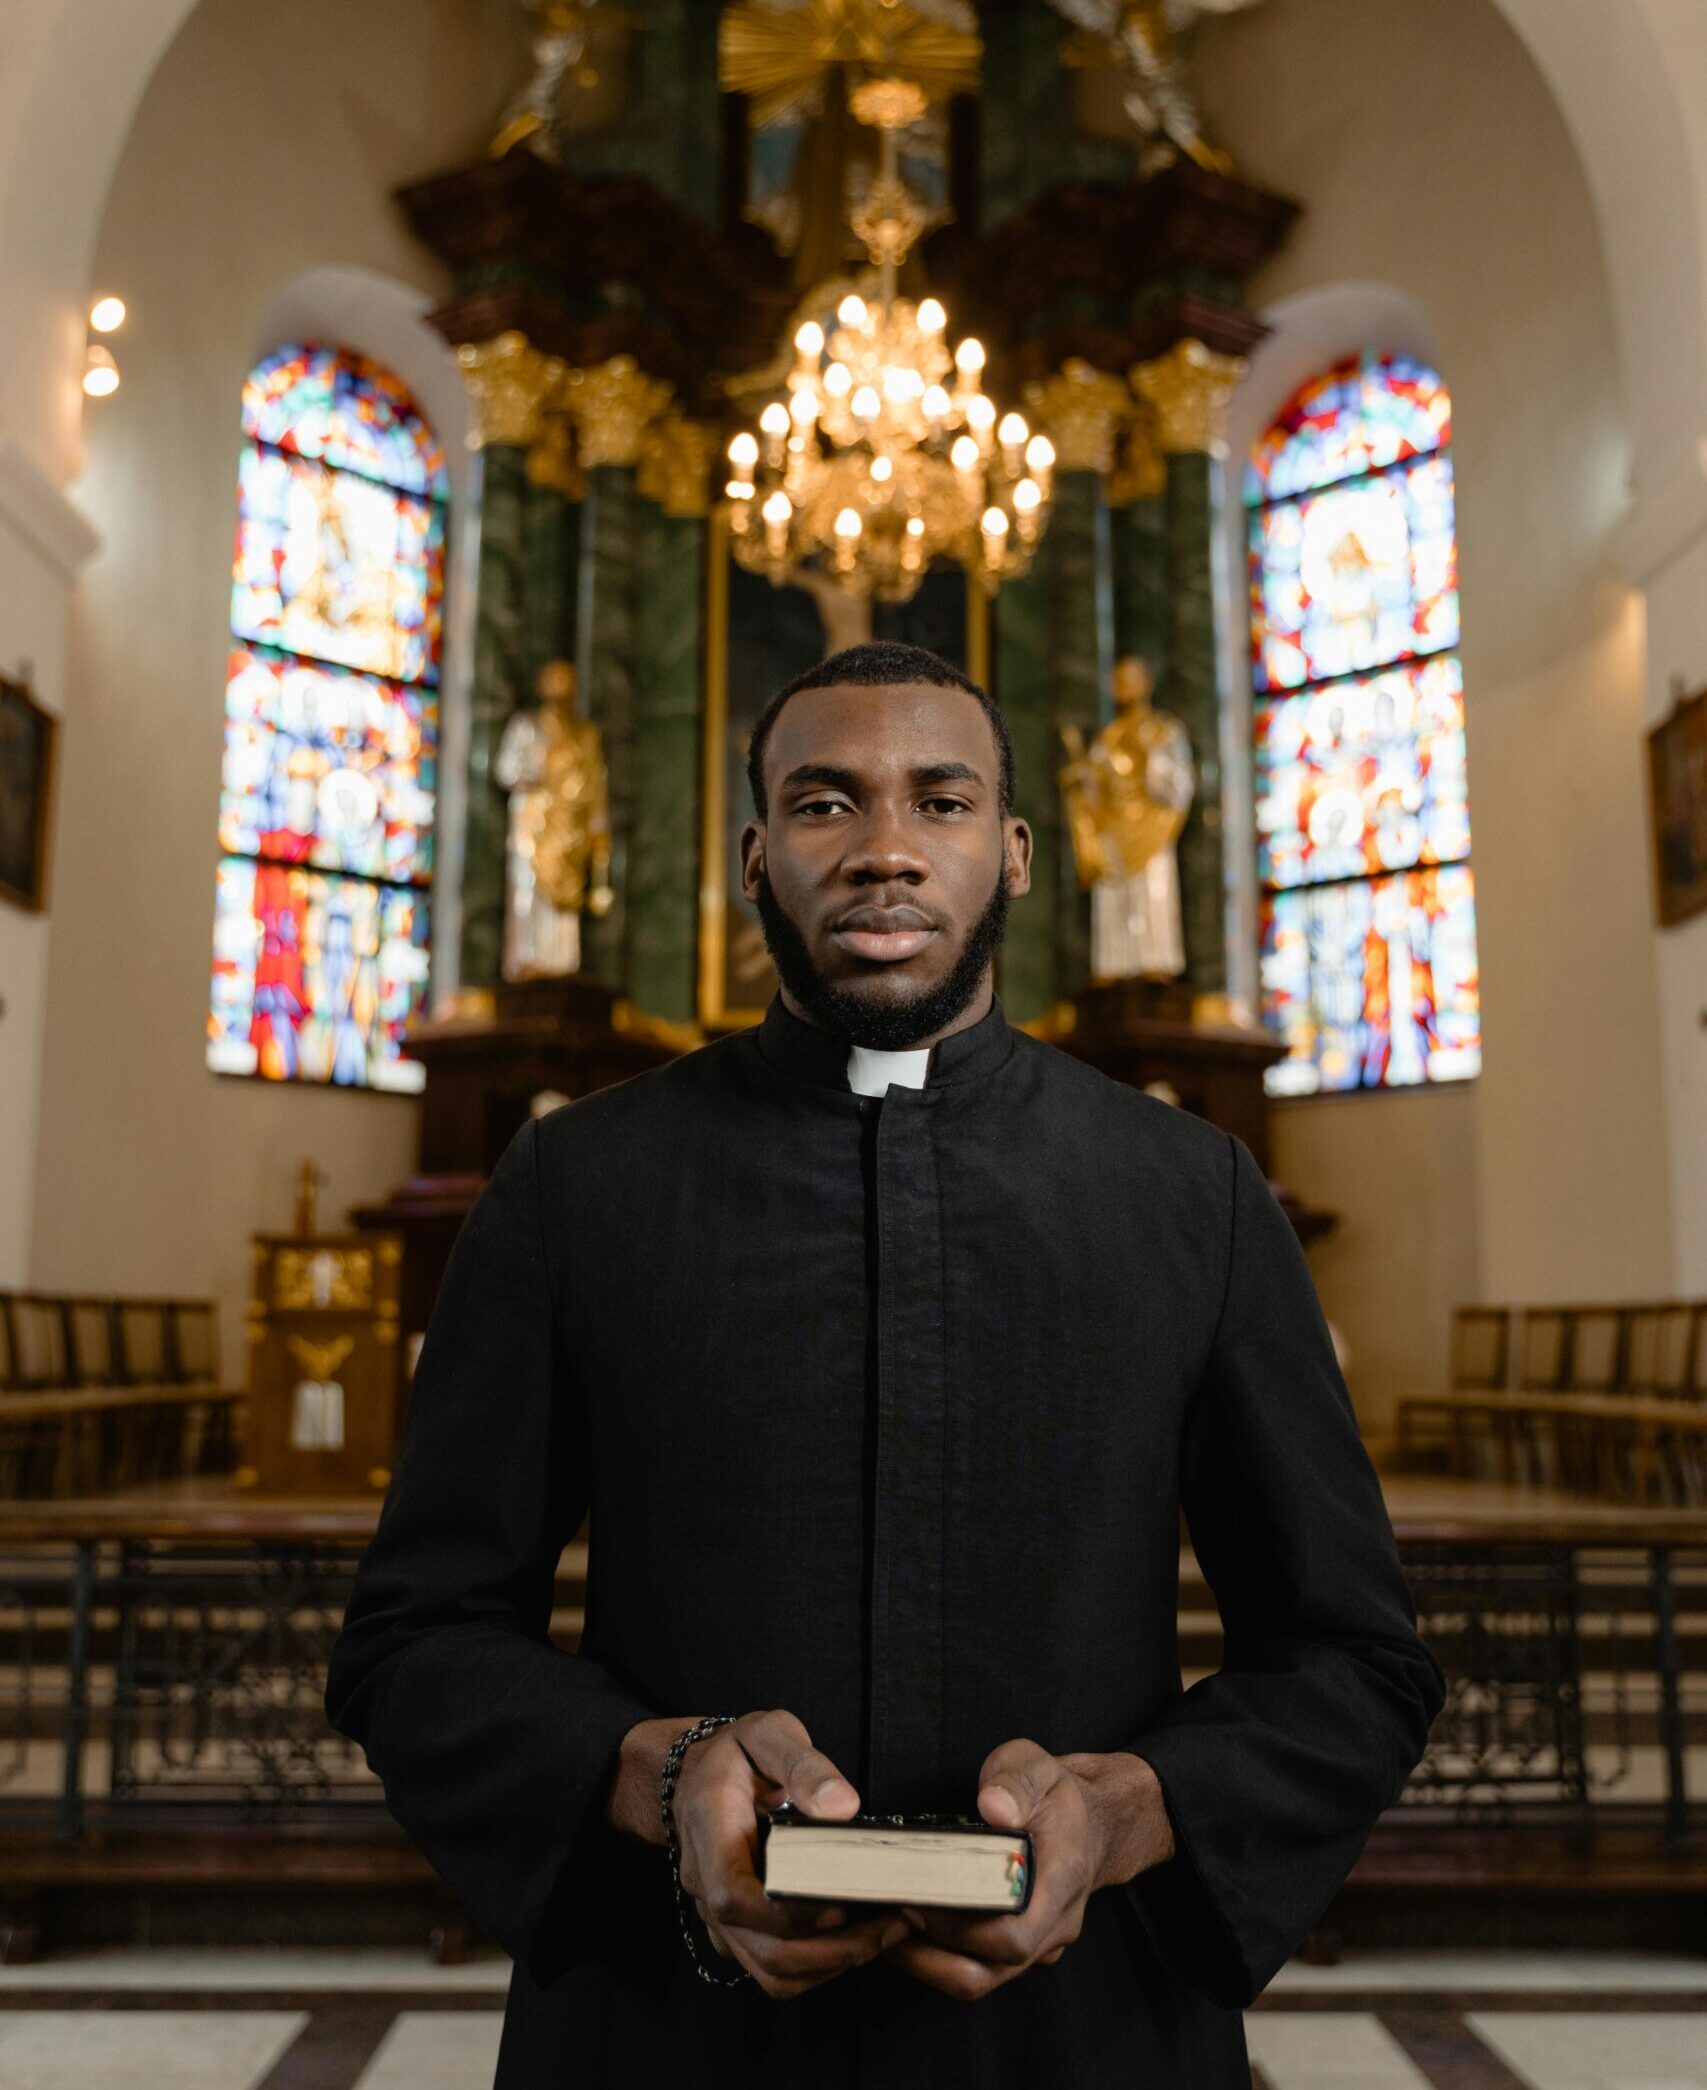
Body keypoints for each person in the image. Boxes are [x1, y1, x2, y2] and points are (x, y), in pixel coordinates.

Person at [323, 639, 1445, 2088]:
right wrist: (658, 1779)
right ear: (752, 854)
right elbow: (411, 1642)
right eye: (824, 803)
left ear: (1019, 851)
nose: (886, 852)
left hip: (1086, 2035)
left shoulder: (1195, 1196)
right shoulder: (572, 1187)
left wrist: (1133, 1807)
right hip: (669, 2031)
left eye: (942, 801)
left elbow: (1356, 1659)